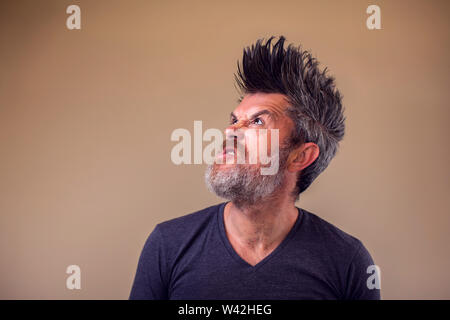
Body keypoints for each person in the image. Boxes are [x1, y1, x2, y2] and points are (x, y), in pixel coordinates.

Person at [129, 36, 381, 300]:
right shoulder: (167, 245)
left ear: (300, 156)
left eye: (258, 122)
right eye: (234, 120)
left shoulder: (348, 263)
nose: (230, 131)